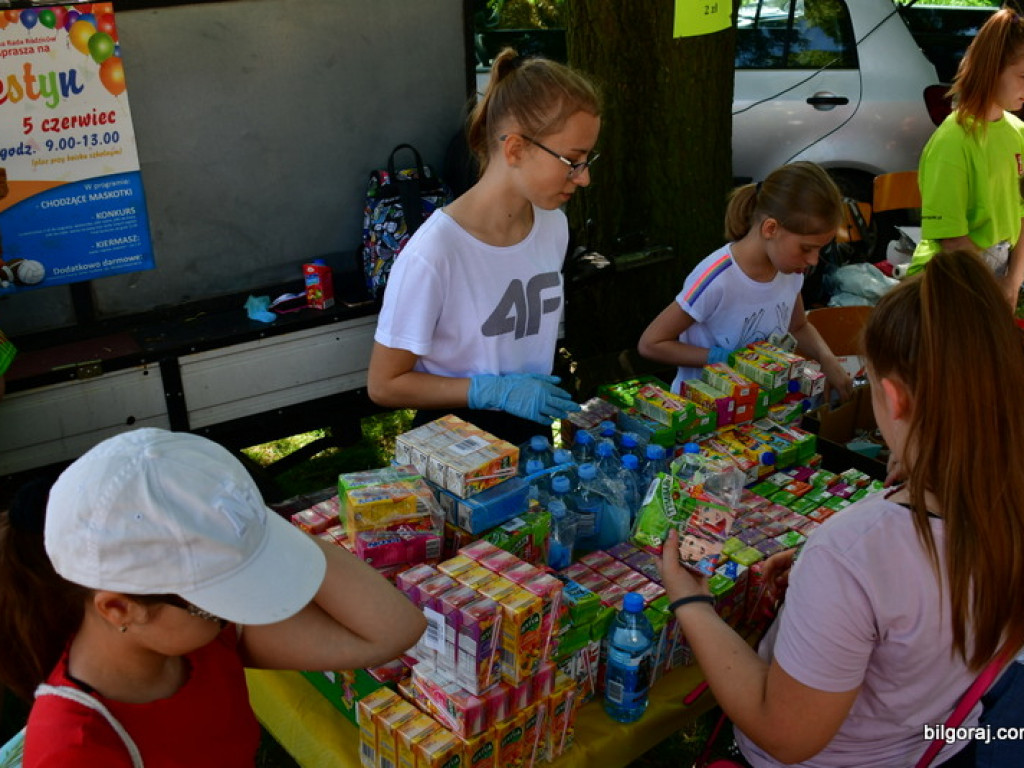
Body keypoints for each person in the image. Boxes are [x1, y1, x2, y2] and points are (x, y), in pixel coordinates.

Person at [660, 249, 1024, 767]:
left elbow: (785, 733)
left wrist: (691, 602)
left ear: (894, 398)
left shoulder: (854, 554)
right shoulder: (1002, 498)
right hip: (941, 746)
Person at [0, 428, 427, 767]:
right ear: (119, 608)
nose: (234, 610)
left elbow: (393, 630)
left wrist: (251, 530)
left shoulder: (198, 638)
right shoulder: (74, 750)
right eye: (216, 597)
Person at [367, 48, 601, 445]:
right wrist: (488, 392)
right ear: (514, 149)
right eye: (572, 160)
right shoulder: (434, 252)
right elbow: (385, 384)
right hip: (454, 442)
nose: (584, 178)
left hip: (531, 433)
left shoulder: (554, 226)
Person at [637, 162, 853, 401]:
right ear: (771, 228)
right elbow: (652, 344)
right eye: (806, 248)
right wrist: (726, 359)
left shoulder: (790, 271)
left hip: (762, 410)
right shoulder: (716, 279)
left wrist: (828, 360)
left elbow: (798, 325)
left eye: (820, 249)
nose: (813, 260)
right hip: (703, 415)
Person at [908, 8, 1024, 308]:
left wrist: (1011, 282)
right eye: (1023, 76)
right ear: (991, 68)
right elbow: (954, 243)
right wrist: (996, 291)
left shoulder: (1019, 132)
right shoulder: (953, 140)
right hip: (948, 285)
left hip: (995, 282)